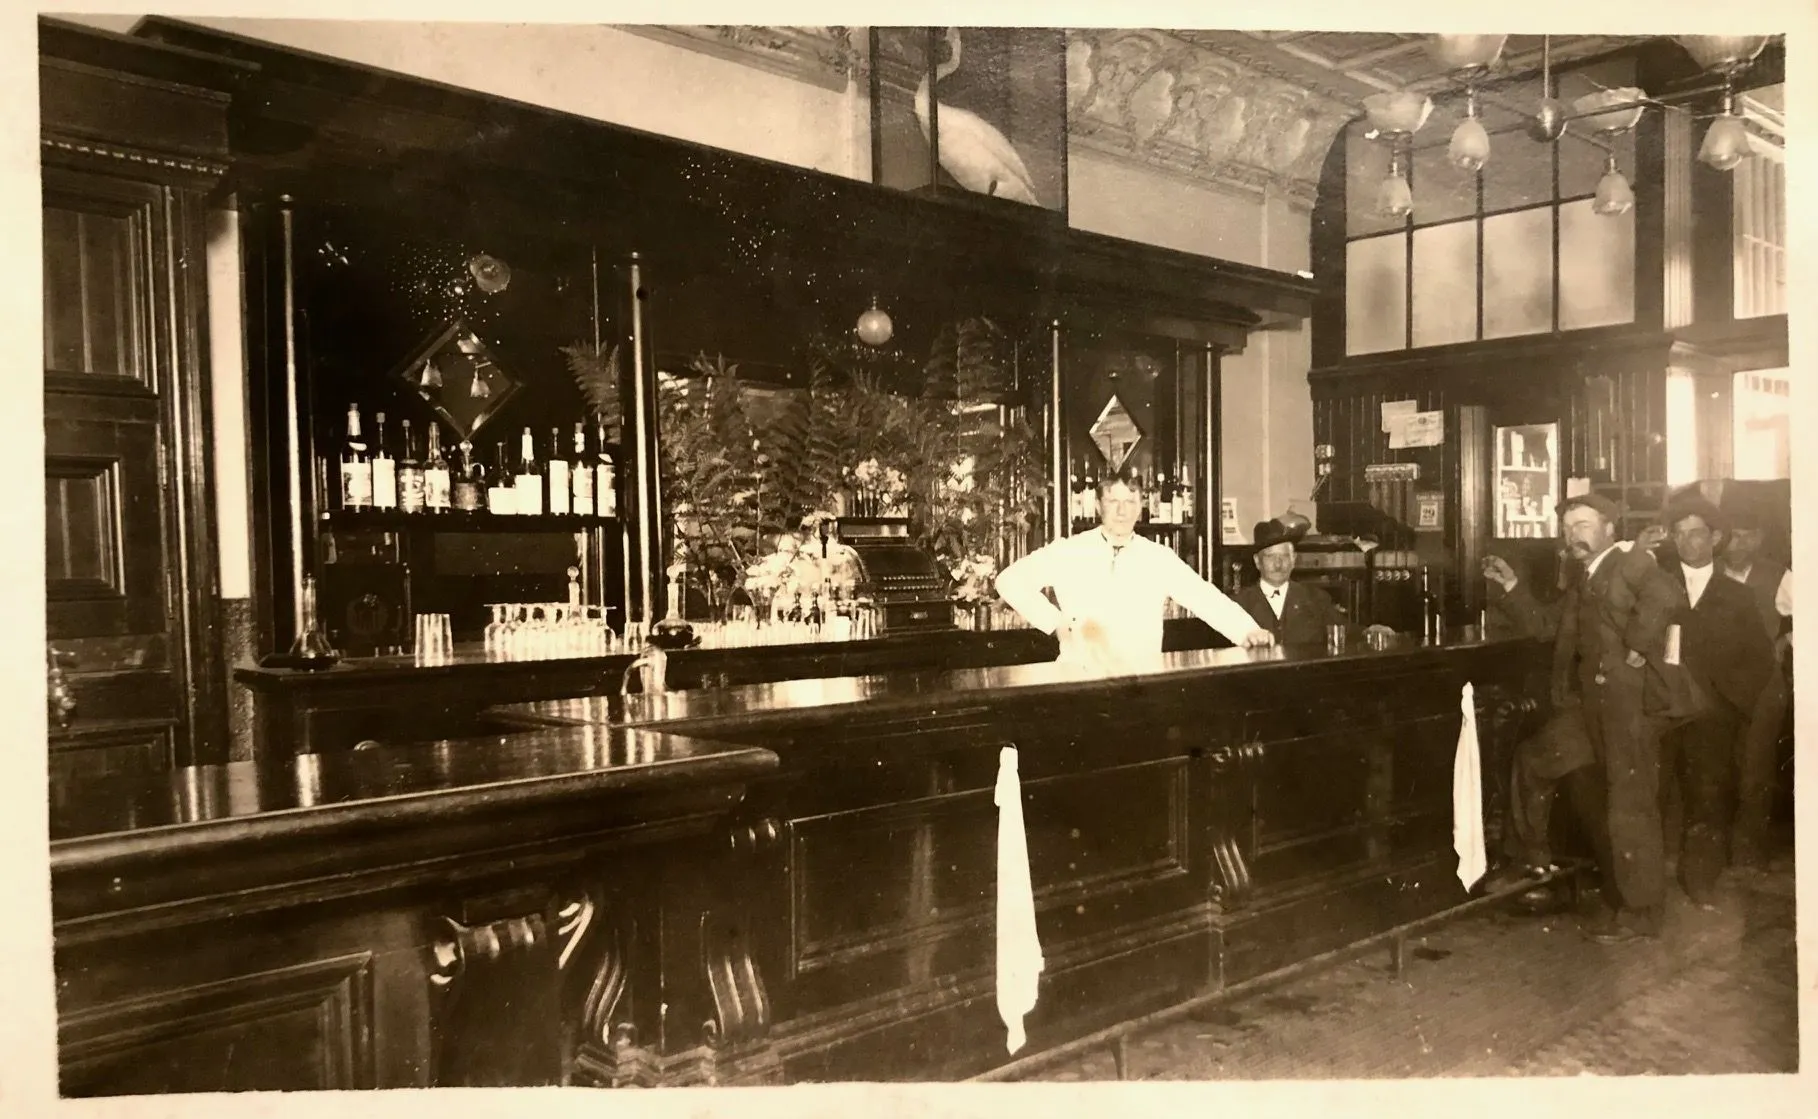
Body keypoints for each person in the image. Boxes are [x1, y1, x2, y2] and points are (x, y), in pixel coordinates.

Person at [1551, 493, 1684, 944]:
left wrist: (1638, 644)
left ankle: (1643, 911)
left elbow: (1668, 594)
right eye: (1570, 528)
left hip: (1627, 704)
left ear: (1610, 528)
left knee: (1631, 803)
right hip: (1599, 704)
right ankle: (1627, 898)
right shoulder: (1585, 573)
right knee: (1613, 798)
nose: (1575, 535)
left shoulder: (1629, 561)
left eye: (1585, 525)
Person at [995, 468, 1275, 665]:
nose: (1121, 510)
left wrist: (1247, 630)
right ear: (1098, 506)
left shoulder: (1158, 557)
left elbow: (1204, 597)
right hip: (1079, 676)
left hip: (1140, 679)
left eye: (1129, 502)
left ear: (1140, 506)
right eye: (1113, 501)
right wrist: (1055, 623)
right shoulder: (1070, 550)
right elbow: (1009, 580)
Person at [1655, 498, 1774, 903]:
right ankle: (1650, 885)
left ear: (1715, 538)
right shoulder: (1656, 585)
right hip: (1659, 710)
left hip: (1712, 716)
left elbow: (1759, 660)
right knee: (1655, 794)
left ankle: (1700, 880)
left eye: (1696, 533)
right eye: (1679, 533)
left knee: (1707, 797)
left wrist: (1728, 704)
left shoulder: (1736, 596)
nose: (1687, 542)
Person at [1718, 505, 1793, 868]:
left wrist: (1784, 641)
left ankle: (1746, 854)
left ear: (1760, 538)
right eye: (1732, 533)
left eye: (1747, 535)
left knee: (1754, 770)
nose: (1738, 542)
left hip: (1763, 686)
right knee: (1716, 767)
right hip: (1715, 685)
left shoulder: (1777, 576)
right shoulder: (1707, 572)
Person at [1233, 518, 1348, 643]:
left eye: (1284, 556)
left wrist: (1369, 631)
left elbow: (1350, 633)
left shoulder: (1317, 600)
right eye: (1270, 556)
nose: (1278, 564)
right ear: (1257, 561)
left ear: (1293, 559)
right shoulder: (1238, 606)